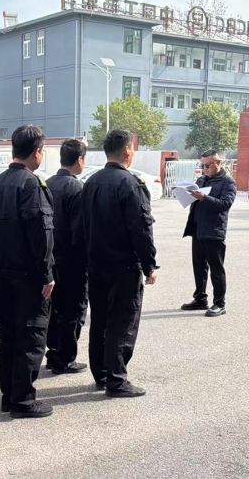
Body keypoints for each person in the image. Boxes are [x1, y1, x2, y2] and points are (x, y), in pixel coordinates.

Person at [82, 129, 157, 398]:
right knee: (122, 322)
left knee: (100, 320)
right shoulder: (130, 184)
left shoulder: (91, 182)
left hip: (96, 265)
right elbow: (141, 228)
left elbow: (82, 225)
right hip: (123, 266)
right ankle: (116, 380)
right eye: (132, 148)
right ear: (127, 150)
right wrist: (149, 265)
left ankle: (101, 373)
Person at [0, 125, 55, 418]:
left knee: (10, 337)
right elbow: (41, 233)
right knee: (31, 336)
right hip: (27, 276)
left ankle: (9, 395)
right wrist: (47, 273)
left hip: (1, 273)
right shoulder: (31, 184)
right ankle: (22, 400)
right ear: (37, 151)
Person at [45, 139, 88, 375]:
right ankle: (65, 358)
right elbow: (79, 232)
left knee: (54, 309)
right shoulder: (77, 188)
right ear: (79, 159)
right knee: (73, 310)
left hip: (50, 258)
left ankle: (53, 353)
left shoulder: (47, 184)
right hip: (71, 261)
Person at [181, 150, 237, 317]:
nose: (204, 169)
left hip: (214, 231)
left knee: (216, 269)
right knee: (199, 267)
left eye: (207, 165)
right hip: (197, 229)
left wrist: (203, 198)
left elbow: (225, 204)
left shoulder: (227, 181)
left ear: (218, 163)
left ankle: (219, 303)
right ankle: (200, 299)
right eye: (202, 165)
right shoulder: (202, 180)